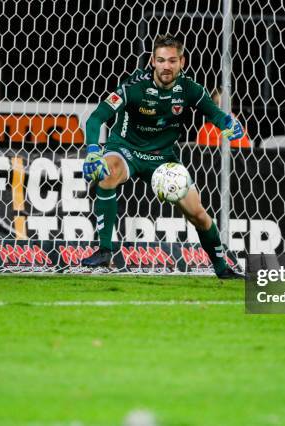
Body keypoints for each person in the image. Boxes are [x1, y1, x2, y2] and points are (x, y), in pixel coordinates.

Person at [81, 34, 244, 279]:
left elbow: (215, 114)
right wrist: (93, 151)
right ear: (152, 61)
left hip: (164, 159)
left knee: (197, 212)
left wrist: (227, 125)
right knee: (107, 171)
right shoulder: (132, 87)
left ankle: (222, 268)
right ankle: (105, 249)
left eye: (171, 60)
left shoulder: (190, 89)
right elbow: (96, 118)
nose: (166, 66)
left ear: (182, 62)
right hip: (126, 149)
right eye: (160, 60)